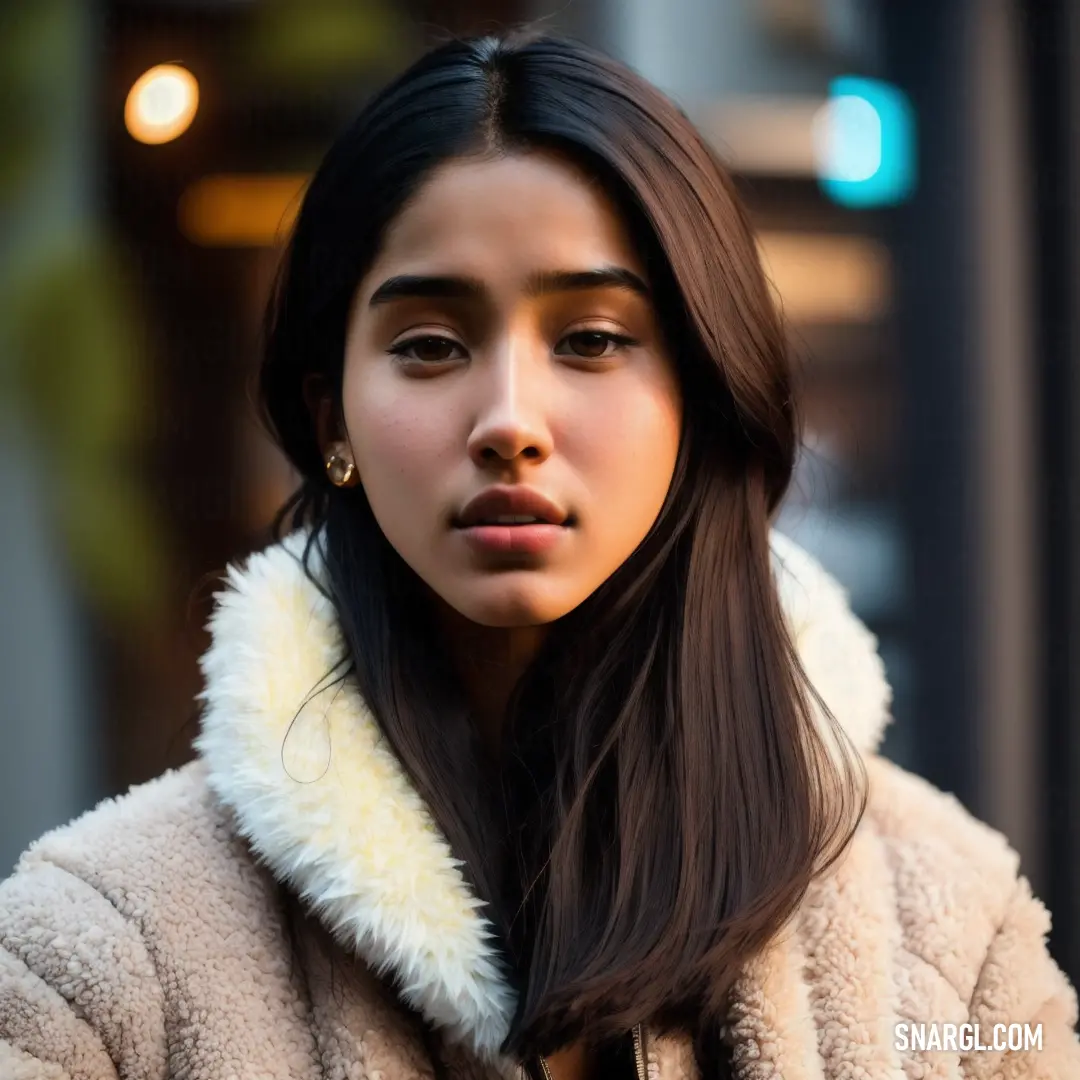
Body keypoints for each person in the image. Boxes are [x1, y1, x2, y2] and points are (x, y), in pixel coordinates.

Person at [0, 29, 1076, 1080]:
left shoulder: (948, 931)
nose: (509, 418)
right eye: (429, 346)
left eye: (593, 339)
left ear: (702, 395)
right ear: (333, 420)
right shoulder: (98, 957)